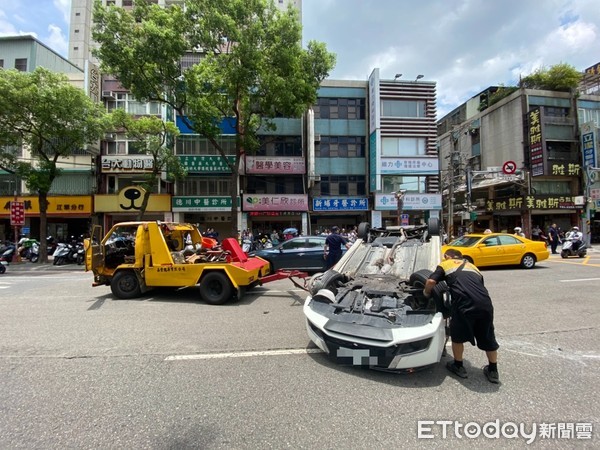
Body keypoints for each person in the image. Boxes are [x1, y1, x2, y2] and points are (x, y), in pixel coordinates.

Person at [423, 248, 500, 383]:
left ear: (448, 256)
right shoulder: (473, 267)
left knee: (458, 336)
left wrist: (426, 293)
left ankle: (458, 366)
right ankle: (493, 370)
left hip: (464, 305)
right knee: (488, 336)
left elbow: (430, 282)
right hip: (485, 304)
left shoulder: (446, 264)